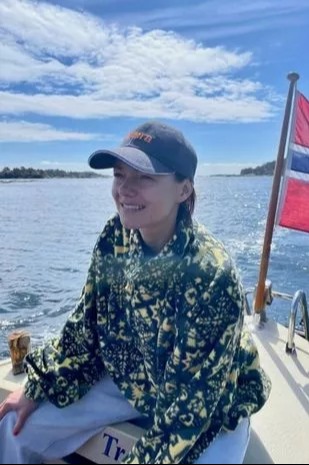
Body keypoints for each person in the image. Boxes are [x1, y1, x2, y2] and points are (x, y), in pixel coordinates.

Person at [0, 121, 271, 464]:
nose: (125, 189)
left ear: (183, 190)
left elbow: (188, 412)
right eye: (119, 174)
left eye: (144, 177)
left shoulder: (211, 275)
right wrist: (39, 386)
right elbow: (86, 325)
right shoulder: (114, 238)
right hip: (135, 379)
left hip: (211, 403)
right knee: (14, 426)